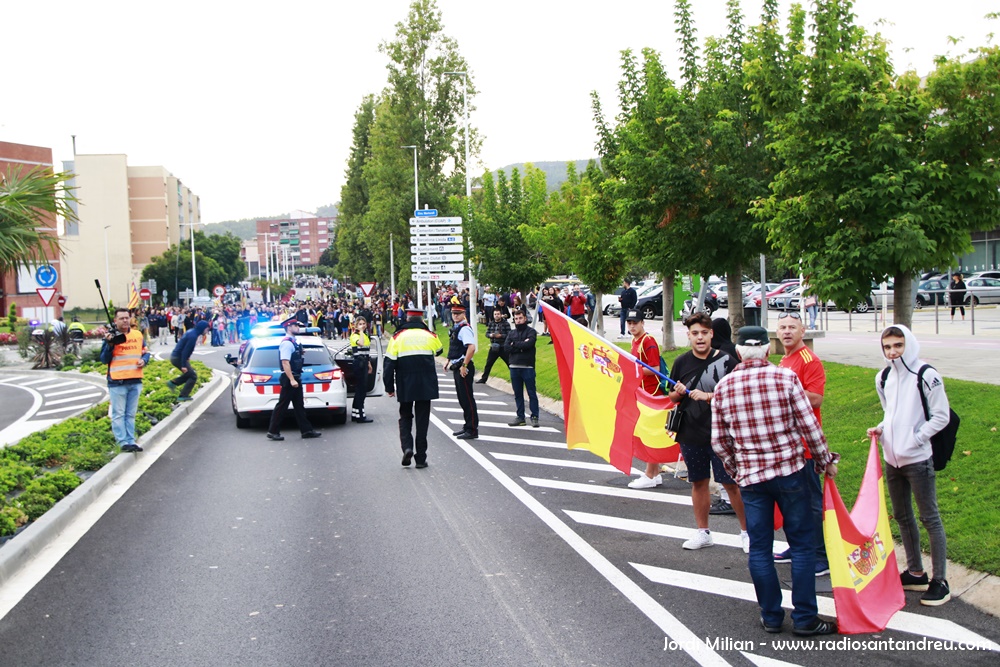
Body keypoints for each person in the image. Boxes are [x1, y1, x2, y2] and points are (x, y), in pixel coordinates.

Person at [712, 325, 840, 637]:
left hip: (752, 479)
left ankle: (771, 615)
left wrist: (738, 467)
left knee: (759, 548)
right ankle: (805, 617)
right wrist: (825, 461)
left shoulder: (724, 387)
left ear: (739, 352)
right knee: (802, 545)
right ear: (768, 350)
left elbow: (719, 441)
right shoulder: (785, 378)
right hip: (790, 471)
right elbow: (809, 426)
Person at [867, 325, 952, 606]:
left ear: (909, 344)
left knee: (930, 517)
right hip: (892, 458)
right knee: (902, 517)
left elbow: (940, 416)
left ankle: (940, 579)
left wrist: (917, 438)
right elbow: (889, 412)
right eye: (888, 347)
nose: (893, 352)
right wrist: (881, 429)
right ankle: (916, 571)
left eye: (898, 345)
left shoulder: (926, 375)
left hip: (917, 459)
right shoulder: (884, 376)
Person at [666, 313, 748, 552]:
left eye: (704, 333)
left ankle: (747, 534)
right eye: (695, 333)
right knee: (698, 481)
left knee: (731, 483)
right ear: (689, 336)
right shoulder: (681, 362)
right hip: (691, 431)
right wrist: (680, 392)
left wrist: (710, 396)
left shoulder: (728, 361)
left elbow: (738, 396)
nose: (699, 338)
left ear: (711, 334)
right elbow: (671, 396)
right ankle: (703, 532)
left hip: (723, 433)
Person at [772, 312, 830, 576]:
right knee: (792, 501)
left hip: (805, 444)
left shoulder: (809, 360)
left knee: (811, 502)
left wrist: (783, 389)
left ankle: (820, 556)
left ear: (802, 331)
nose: (786, 332)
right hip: (787, 443)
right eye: (782, 327)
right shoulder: (785, 359)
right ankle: (798, 546)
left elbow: (816, 398)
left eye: (792, 327)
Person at [384, 308, 443, 468]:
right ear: (422, 319)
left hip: (405, 384)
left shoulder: (397, 337)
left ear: (407, 319)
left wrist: (389, 386)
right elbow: (439, 351)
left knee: (405, 416)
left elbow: (389, 363)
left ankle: (407, 447)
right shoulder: (430, 335)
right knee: (422, 421)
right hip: (426, 385)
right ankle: (421, 458)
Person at [625, 309, 671, 488]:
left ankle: (650, 475)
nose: (632, 326)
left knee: (649, 435)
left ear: (642, 322)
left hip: (652, 395)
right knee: (649, 434)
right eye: (629, 322)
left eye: (635, 322)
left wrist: (632, 371)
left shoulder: (648, 341)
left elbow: (655, 368)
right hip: (644, 394)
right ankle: (655, 473)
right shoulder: (635, 340)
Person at [100, 307, 150, 453]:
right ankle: (122, 442)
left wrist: (144, 360)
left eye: (127, 317)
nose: (125, 320)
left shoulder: (137, 335)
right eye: (121, 318)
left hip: (135, 380)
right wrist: (110, 345)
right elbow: (104, 359)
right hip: (118, 381)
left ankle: (131, 440)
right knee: (119, 413)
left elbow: (145, 352)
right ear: (115, 321)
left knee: (130, 414)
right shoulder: (111, 337)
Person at [266, 317, 322, 441]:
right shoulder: (287, 343)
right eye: (295, 326)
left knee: (299, 406)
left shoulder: (293, 342)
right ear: (289, 327)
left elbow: (292, 359)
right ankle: (273, 431)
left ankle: (306, 430)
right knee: (282, 405)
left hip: (295, 376)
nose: (298, 327)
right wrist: (291, 379)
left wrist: (299, 354)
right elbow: (285, 362)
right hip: (290, 377)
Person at [447, 303, 479, 440]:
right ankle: (467, 426)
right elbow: (455, 347)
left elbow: (471, 348)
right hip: (457, 365)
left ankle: (472, 429)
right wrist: (449, 360)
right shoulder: (456, 328)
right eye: (454, 313)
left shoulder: (464, 329)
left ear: (463, 314)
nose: (455, 316)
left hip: (463, 367)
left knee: (467, 399)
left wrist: (464, 365)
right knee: (462, 399)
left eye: (458, 313)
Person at [504, 308, 540, 427]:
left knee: (531, 393)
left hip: (528, 367)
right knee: (517, 394)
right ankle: (520, 417)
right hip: (514, 366)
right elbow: (506, 347)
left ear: (525, 318)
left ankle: (534, 416)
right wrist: (520, 345)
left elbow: (529, 344)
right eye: (516, 319)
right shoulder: (511, 333)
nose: (518, 320)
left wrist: (515, 344)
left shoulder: (531, 332)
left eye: (520, 318)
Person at [167, 320, 209, 401]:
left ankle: (173, 383)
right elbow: (185, 351)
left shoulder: (192, 332)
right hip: (178, 358)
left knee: (189, 374)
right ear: (202, 328)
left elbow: (186, 349)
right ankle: (182, 395)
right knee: (193, 376)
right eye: (206, 329)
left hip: (176, 357)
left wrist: (187, 358)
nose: (207, 331)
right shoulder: (192, 336)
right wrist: (183, 365)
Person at [349, 316, 374, 423]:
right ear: (356, 325)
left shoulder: (365, 335)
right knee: (361, 390)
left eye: (364, 323)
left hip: (364, 362)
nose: (363, 325)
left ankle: (355, 414)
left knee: (361, 389)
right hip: (358, 363)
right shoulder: (355, 335)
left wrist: (369, 364)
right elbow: (361, 343)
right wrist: (361, 332)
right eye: (360, 324)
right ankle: (360, 415)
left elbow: (366, 351)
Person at [476, 309, 511, 384]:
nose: (496, 316)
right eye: (495, 314)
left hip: (503, 347)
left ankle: (516, 379)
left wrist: (500, 336)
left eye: (498, 314)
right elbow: (487, 333)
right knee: (488, 364)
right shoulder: (491, 323)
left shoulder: (505, 324)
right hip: (494, 347)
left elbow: (509, 334)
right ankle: (484, 379)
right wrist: (491, 335)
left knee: (510, 363)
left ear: (501, 315)